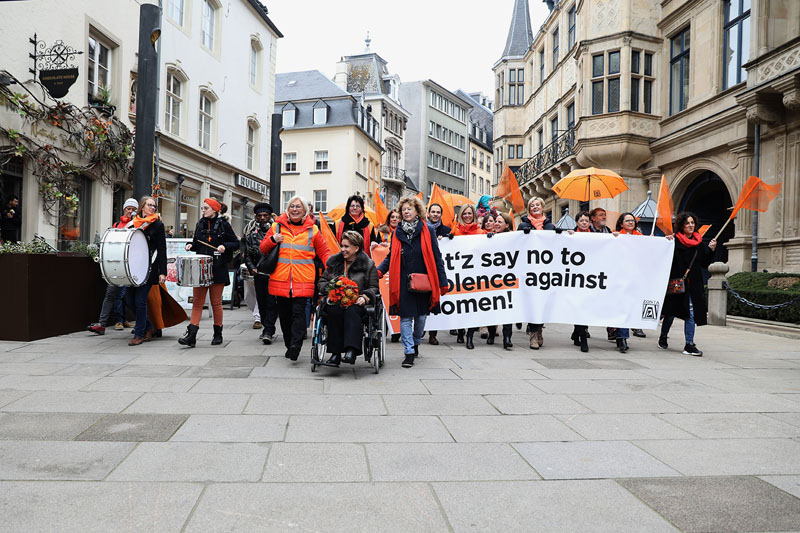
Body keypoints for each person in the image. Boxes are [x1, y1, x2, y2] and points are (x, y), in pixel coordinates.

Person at [377, 195, 448, 368]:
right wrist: (379, 270)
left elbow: (437, 257)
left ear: (417, 211)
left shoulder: (428, 229)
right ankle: (408, 352)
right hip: (403, 282)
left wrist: (442, 281)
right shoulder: (397, 232)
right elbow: (391, 256)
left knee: (421, 318)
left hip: (424, 281)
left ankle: (416, 342)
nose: (406, 211)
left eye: (409, 208)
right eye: (404, 209)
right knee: (406, 318)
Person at [260, 196, 332, 360]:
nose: (294, 209)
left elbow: (324, 252)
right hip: (281, 279)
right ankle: (289, 344)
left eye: (298, 206)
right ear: (287, 209)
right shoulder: (276, 226)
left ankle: (295, 345)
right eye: (292, 206)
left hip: (303, 279)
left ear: (305, 210)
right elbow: (263, 249)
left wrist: (332, 268)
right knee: (285, 316)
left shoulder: (313, 230)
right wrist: (272, 239)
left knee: (298, 313)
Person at [178, 198, 240, 347]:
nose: (203, 210)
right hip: (201, 267)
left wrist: (224, 246)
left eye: (206, 208)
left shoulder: (224, 225)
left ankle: (218, 333)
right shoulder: (200, 224)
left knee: (216, 302)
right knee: (197, 302)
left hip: (218, 267)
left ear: (214, 210)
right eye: (203, 208)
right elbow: (196, 243)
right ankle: (191, 335)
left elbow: (236, 243)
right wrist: (190, 245)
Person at [317, 231, 379, 366]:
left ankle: (351, 350)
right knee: (334, 311)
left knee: (352, 311)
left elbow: (374, 287)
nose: (343, 249)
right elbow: (322, 282)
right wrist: (331, 289)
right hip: (336, 302)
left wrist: (365, 297)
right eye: (342, 246)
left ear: (356, 248)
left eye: (346, 246)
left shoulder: (368, 265)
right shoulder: (334, 262)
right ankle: (335, 354)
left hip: (357, 303)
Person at [660, 211, 717, 357]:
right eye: (687, 223)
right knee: (671, 313)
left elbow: (704, 263)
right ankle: (663, 335)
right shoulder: (675, 241)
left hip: (693, 284)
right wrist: (666, 242)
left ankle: (689, 344)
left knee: (690, 314)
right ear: (681, 226)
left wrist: (711, 250)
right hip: (678, 283)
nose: (690, 225)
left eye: (692, 223)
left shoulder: (699, 242)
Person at [89, 198, 139, 335]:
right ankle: (102, 324)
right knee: (110, 294)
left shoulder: (138, 225)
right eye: (128, 208)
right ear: (124, 209)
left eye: (133, 209)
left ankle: (143, 324)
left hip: (132, 266)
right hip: (117, 265)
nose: (130, 211)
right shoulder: (116, 224)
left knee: (132, 298)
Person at [128, 196, 167, 346]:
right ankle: (149, 326)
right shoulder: (133, 223)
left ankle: (139, 334)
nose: (152, 208)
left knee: (140, 301)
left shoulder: (158, 225)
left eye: (154, 206)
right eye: (149, 205)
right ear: (142, 206)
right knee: (129, 300)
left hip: (149, 268)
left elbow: (162, 249)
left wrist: (162, 272)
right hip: (132, 267)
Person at [518, 196, 556, 349]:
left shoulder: (550, 226)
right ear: (529, 209)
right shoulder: (523, 225)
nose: (535, 207)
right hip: (529, 270)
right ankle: (533, 334)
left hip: (545, 270)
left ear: (542, 207)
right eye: (532, 205)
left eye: (537, 205)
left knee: (542, 302)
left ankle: (539, 329)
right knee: (533, 301)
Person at [448, 204, 486, 344]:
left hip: (474, 275)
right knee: (460, 304)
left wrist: (489, 238)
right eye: (465, 213)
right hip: (459, 274)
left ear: (474, 215)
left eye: (470, 213)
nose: (467, 216)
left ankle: (469, 336)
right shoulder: (455, 231)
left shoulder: (480, 232)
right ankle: (460, 331)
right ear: (461, 215)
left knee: (472, 306)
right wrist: (444, 239)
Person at [242, 202, 279, 344]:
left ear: (270, 216)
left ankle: (268, 330)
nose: (263, 218)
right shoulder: (251, 235)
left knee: (271, 303)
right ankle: (265, 326)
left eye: (265, 215)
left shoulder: (277, 233)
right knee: (262, 303)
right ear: (255, 217)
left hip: (274, 274)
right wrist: (252, 268)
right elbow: (247, 255)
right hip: (259, 274)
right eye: (260, 215)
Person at [609, 212, 645, 353]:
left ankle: (620, 335)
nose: (631, 222)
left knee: (628, 307)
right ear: (621, 223)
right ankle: (622, 337)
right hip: (619, 278)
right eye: (627, 220)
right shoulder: (616, 236)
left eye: (632, 220)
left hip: (634, 278)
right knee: (622, 306)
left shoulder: (641, 238)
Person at [425, 203, 452, 345]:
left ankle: (433, 334)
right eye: (433, 212)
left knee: (435, 303)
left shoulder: (446, 230)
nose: (435, 214)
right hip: (424, 270)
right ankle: (421, 328)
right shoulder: (422, 228)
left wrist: (448, 239)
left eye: (438, 212)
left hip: (437, 270)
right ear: (428, 214)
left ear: (441, 215)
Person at [566, 211, 593, 352]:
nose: (584, 223)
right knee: (578, 306)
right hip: (575, 277)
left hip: (590, 277)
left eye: (586, 221)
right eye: (581, 220)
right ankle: (582, 337)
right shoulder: (570, 235)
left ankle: (578, 333)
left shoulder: (595, 236)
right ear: (577, 222)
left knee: (585, 306)